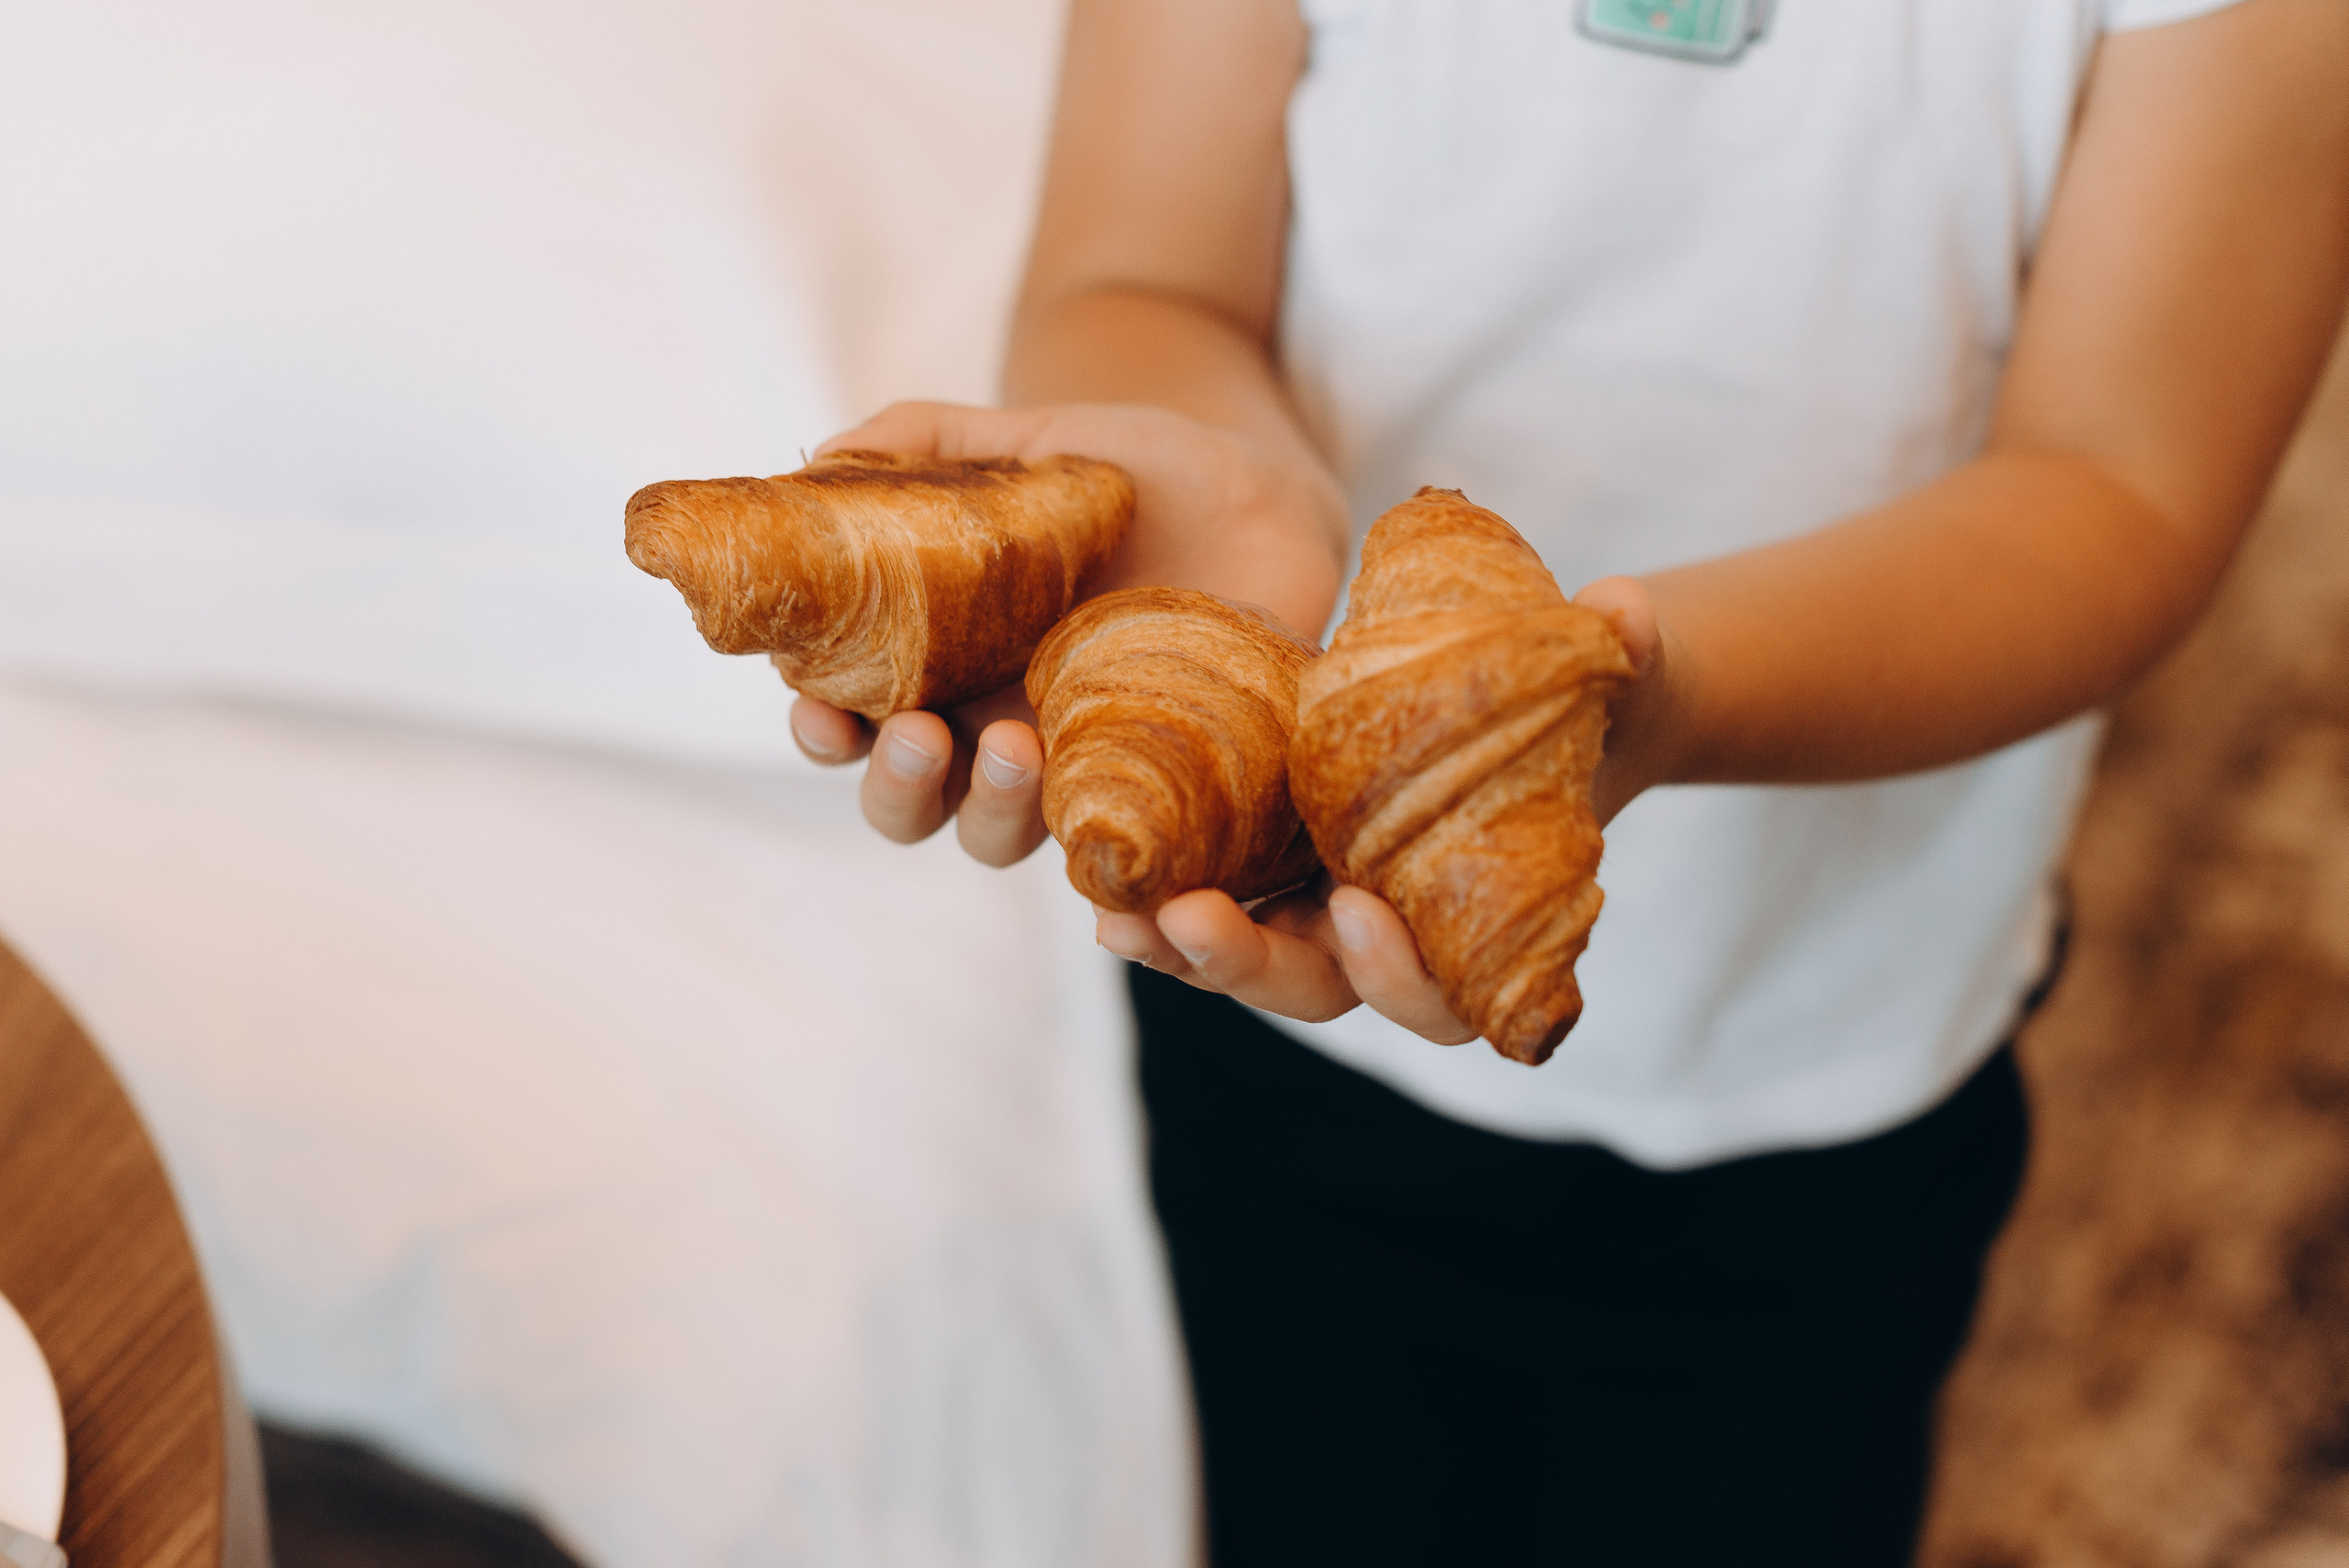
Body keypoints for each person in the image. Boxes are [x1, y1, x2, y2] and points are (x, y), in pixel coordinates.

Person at [787, 0, 2349, 1562]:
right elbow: (1140, 274)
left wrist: (1652, 696)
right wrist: (1212, 533)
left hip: (1823, 1047)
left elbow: (2120, 487)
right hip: (1280, 994)